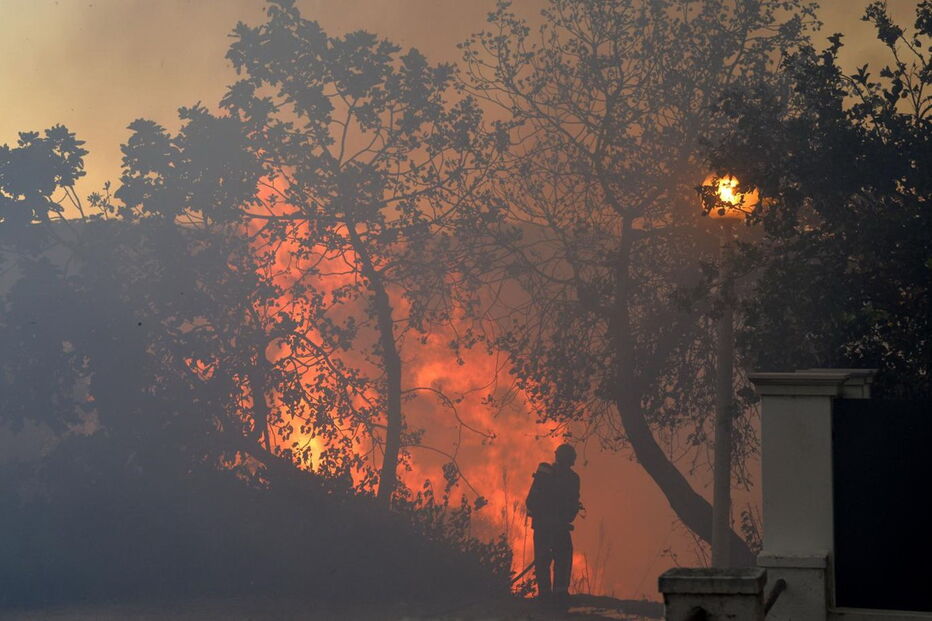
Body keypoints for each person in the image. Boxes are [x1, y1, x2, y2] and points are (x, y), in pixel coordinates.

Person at [525, 443, 580, 609]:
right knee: (561, 559)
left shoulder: (547, 473)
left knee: (544, 560)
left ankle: (547, 595)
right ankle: (558, 595)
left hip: (544, 527)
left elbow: (531, 501)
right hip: (556, 527)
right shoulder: (572, 478)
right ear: (571, 459)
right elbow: (572, 506)